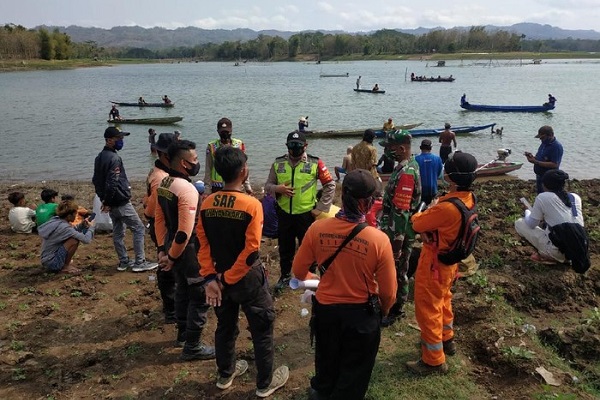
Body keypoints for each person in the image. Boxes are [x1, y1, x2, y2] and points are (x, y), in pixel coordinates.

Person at [292, 169, 397, 400]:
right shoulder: (379, 240)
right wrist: (384, 311)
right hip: (361, 315)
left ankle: (321, 391)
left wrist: (320, 280)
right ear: (368, 202)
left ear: (342, 195)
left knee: (326, 358)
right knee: (355, 370)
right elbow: (389, 293)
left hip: (326, 311)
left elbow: (299, 272)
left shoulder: (317, 229)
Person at [197, 146, 289, 398]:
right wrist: (224, 280)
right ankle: (264, 383)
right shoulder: (251, 205)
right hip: (246, 279)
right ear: (244, 172)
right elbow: (250, 252)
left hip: (218, 276)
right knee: (261, 329)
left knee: (225, 326)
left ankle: (225, 374)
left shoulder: (206, 203)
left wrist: (211, 279)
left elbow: (202, 245)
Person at [407, 151, 478, 375]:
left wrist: (426, 214)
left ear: (450, 177)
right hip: (449, 263)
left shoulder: (446, 208)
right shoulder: (467, 199)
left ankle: (433, 360)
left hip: (434, 263)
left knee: (428, 308)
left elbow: (418, 223)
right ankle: (447, 339)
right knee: (444, 301)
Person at [154, 139, 215, 361]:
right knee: (198, 295)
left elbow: (159, 220)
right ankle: (193, 345)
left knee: (181, 290)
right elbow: (184, 232)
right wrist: (170, 257)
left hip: (171, 246)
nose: (197, 163)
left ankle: (182, 334)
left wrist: (162, 248)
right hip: (188, 251)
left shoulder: (165, 183)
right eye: (195, 160)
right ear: (183, 163)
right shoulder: (187, 189)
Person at [264, 130, 335, 291]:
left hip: (306, 214)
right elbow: (267, 186)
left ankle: (310, 277)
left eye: (298, 145)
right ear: (287, 146)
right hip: (284, 214)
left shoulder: (315, 163)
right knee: (285, 247)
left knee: (308, 247)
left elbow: (330, 185)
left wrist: (321, 208)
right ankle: (285, 276)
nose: (294, 149)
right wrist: (278, 188)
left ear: (305, 146)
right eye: (291, 145)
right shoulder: (278, 164)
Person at [92, 126, 158, 272]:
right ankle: (140, 262)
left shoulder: (99, 157)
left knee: (118, 231)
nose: (121, 141)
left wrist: (104, 199)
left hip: (111, 202)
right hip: (120, 202)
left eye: (121, 138)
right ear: (109, 140)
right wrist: (107, 201)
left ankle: (123, 261)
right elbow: (112, 182)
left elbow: (96, 181)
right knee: (139, 228)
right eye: (118, 139)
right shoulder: (114, 158)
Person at [378, 130, 421, 326]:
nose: (386, 151)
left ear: (402, 149)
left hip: (400, 232)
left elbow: (402, 212)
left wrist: (396, 242)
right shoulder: (403, 167)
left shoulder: (407, 173)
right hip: (394, 228)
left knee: (398, 270)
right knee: (395, 270)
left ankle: (396, 309)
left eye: (389, 148)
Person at [515, 169, 583, 263]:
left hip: (558, 252)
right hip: (579, 252)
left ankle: (547, 256)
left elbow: (531, 224)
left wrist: (527, 211)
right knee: (549, 227)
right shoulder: (576, 197)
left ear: (545, 185)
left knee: (519, 223)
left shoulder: (543, 197)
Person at [144, 133, 177, 324]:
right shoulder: (160, 179)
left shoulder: (159, 173)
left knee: (170, 266)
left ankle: (172, 306)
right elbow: (153, 209)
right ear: (166, 156)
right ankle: (171, 309)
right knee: (166, 266)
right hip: (163, 228)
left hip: (163, 226)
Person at [39, 199, 94, 275]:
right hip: (52, 263)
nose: (76, 216)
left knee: (71, 238)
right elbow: (86, 240)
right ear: (69, 215)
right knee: (74, 240)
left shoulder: (55, 220)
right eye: (75, 214)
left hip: (46, 259)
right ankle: (65, 266)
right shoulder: (65, 227)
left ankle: (62, 263)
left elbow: (71, 231)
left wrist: (81, 225)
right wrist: (91, 227)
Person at [204, 117, 252, 195]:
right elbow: (208, 169)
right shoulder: (212, 146)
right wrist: (207, 190)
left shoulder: (239, 144)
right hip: (217, 186)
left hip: (236, 185)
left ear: (231, 131)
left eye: (227, 132)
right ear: (218, 132)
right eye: (222, 132)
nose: (225, 135)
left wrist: (247, 186)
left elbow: (244, 166)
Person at [524, 125, 563, 194]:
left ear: (550, 135)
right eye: (540, 138)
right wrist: (532, 157)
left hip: (549, 177)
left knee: (547, 195)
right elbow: (539, 158)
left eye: (543, 138)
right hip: (540, 174)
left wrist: (536, 162)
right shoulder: (543, 144)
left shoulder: (556, 146)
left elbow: (555, 164)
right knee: (540, 194)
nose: (541, 140)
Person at [415, 139, 444, 205]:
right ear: (430, 148)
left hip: (421, 189)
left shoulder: (415, 159)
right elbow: (439, 174)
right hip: (433, 188)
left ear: (420, 147)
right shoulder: (437, 158)